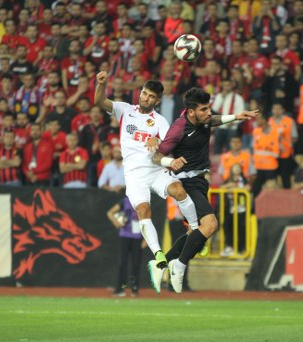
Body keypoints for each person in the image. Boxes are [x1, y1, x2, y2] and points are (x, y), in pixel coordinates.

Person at [150, 87, 259, 293]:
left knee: (195, 232)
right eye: (203, 109)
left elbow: (213, 120)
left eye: (208, 108)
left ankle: (161, 264)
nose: (208, 112)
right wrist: (170, 161)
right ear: (191, 112)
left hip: (200, 181)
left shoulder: (203, 118)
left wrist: (236, 116)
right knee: (210, 225)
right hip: (186, 182)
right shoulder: (178, 128)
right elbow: (156, 156)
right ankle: (178, 266)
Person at [94, 70, 200, 282]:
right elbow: (99, 101)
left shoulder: (159, 121)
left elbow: (171, 146)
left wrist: (158, 142)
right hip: (134, 175)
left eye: (151, 96)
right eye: (144, 93)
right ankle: (158, 254)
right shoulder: (125, 110)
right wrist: (100, 83)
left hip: (155, 170)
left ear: (157, 100)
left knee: (179, 190)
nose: (146, 98)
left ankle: (197, 231)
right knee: (144, 210)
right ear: (140, 93)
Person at [107, 196, 145, 297]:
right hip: (125, 236)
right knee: (122, 264)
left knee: (135, 264)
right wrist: (116, 221)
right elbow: (110, 212)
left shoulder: (143, 200)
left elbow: (147, 219)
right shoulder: (125, 201)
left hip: (137, 237)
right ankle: (121, 289)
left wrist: (146, 239)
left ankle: (134, 290)